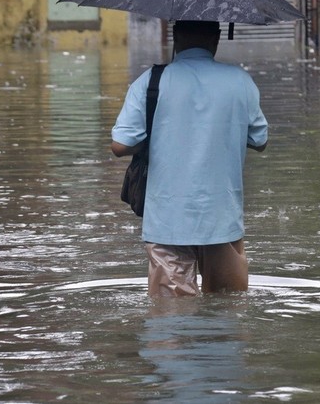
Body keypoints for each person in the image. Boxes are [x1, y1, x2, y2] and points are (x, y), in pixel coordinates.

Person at [111, 20, 268, 297]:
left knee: (170, 321)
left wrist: (158, 131)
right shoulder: (240, 81)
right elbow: (260, 140)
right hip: (222, 217)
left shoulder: (151, 82)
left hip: (167, 220)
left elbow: (121, 145)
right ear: (217, 38)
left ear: (176, 36)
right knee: (226, 313)